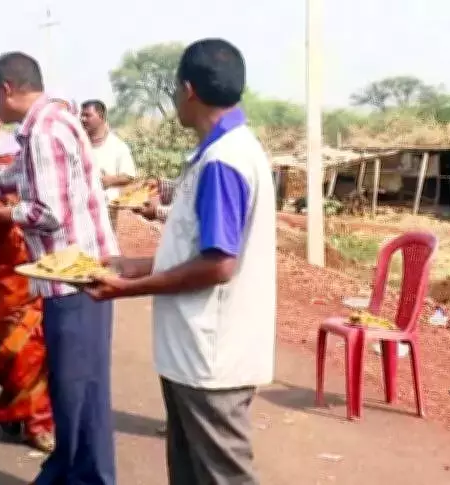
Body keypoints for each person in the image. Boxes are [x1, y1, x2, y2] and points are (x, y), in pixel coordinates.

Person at [86, 39, 276, 485]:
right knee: (190, 472)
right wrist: (137, 264)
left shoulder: (224, 161)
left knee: (221, 475)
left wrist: (128, 289)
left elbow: (217, 265)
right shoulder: (222, 151)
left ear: (188, 90)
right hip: (198, 353)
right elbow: (202, 248)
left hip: (211, 356)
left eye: (174, 91)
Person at [0, 51, 119, 485]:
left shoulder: (46, 130)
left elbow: (45, 211)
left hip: (74, 280)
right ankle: (65, 472)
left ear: (6, 89)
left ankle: (89, 477)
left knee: (81, 392)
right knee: (71, 391)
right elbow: (12, 177)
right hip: (64, 277)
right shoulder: (46, 124)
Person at [0, 138, 56, 453]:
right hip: (11, 281)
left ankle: (39, 422)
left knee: (39, 353)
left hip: (50, 276)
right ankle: (11, 407)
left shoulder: (50, 182)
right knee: (14, 352)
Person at [79, 99, 137, 202]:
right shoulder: (77, 146)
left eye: (87, 115)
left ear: (101, 117)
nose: (83, 119)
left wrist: (108, 181)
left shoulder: (118, 146)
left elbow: (129, 176)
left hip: (109, 207)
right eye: (82, 115)